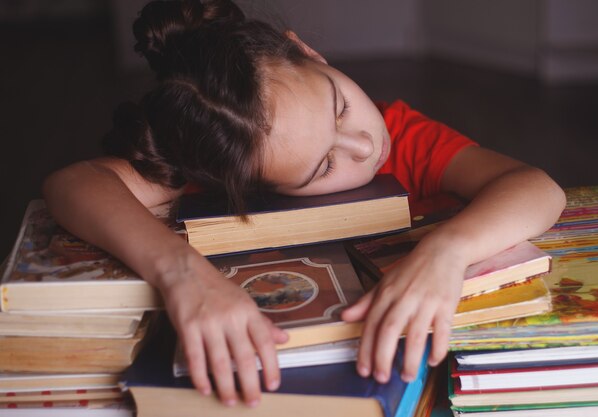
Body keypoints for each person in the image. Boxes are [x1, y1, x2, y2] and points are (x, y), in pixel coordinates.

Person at [42, 0, 566, 408]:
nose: (364, 145)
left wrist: (445, 252)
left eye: (340, 106)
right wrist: (183, 273)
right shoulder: (220, 174)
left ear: (309, 52)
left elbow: (538, 188)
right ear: (248, 186)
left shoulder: (401, 135)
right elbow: (72, 184)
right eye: (324, 168)